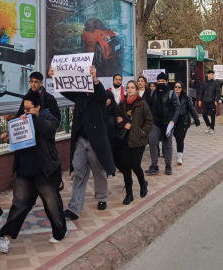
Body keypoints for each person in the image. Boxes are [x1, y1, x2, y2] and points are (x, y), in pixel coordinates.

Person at [0, 91, 67, 253]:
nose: (25, 111)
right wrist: (10, 137)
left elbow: (48, 129)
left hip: (45, 171)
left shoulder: (48, 118)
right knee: (19, 203)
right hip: (24, 171)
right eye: (23, 108)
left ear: (38, 108)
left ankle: (60, 231)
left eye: (28, 108)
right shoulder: (22, 119)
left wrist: (32, 119)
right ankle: (5, 238)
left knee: (51, 204)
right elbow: (21, 139)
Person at [49, 65, 115, 220]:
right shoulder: (79, 95)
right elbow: (65, 89)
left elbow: (101, 95)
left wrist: (95, 79)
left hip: (95, 142)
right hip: (80, 141)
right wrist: (55, 77)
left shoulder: (100, 95)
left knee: (100, 172)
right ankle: (74, 208)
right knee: (78, 174)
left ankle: (102, 197)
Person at [116, 81, 153, 205]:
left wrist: (142, 133)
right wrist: (122, 124)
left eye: (132, 88)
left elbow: (149, 121)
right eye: (128, 88)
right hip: (126, 140)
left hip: (138, 140)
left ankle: (143, 183)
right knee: (126, 167)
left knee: (135, 165)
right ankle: (129, 194)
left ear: (137, 90)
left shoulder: (142, 103)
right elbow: (118, 119)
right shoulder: (122, 104)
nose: (130, 90)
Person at [145, 72, 180, 176]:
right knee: (152, 142)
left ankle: (168, 165)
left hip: (167, 124)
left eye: (162, 81)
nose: (160, 83)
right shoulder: (153, 93)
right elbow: (149, 107)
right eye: (159, 81)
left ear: (166, 82)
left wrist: (172, 121)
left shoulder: (171, 93)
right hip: (155, 123)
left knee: (167, 144)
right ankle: (154, 166)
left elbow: (177, 108)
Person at [173, 81, 200, 165]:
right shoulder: (170, 97)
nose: (177, 88)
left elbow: (192, 109)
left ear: (182, 88)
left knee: (180, 138)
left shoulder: (186, 98)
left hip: (183, 120)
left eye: (179, 87)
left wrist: (196, 119)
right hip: (173, 121)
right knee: (176, 137)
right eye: (175, 87)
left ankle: (179, 156)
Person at [105, 91, 122, 174]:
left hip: (115, 142)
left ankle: (128, 180)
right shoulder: (99, 111)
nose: (106, 100)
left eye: (107, 98)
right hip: (104, 142)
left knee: (119, 163)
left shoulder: (116, 110)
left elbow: (120, 126)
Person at [198, 70, 220, 134]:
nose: (213, 75)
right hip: (205, 101)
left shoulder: (216, 83)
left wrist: (216, 100)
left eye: (213, 74)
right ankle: (208, 125)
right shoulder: (203, 83)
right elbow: (201, 91)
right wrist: (200, 100)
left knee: (213, 115)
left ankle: (212, 128)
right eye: (212, 74)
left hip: (212, 101)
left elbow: (217, 93)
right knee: (204, 114)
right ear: (208, 74)